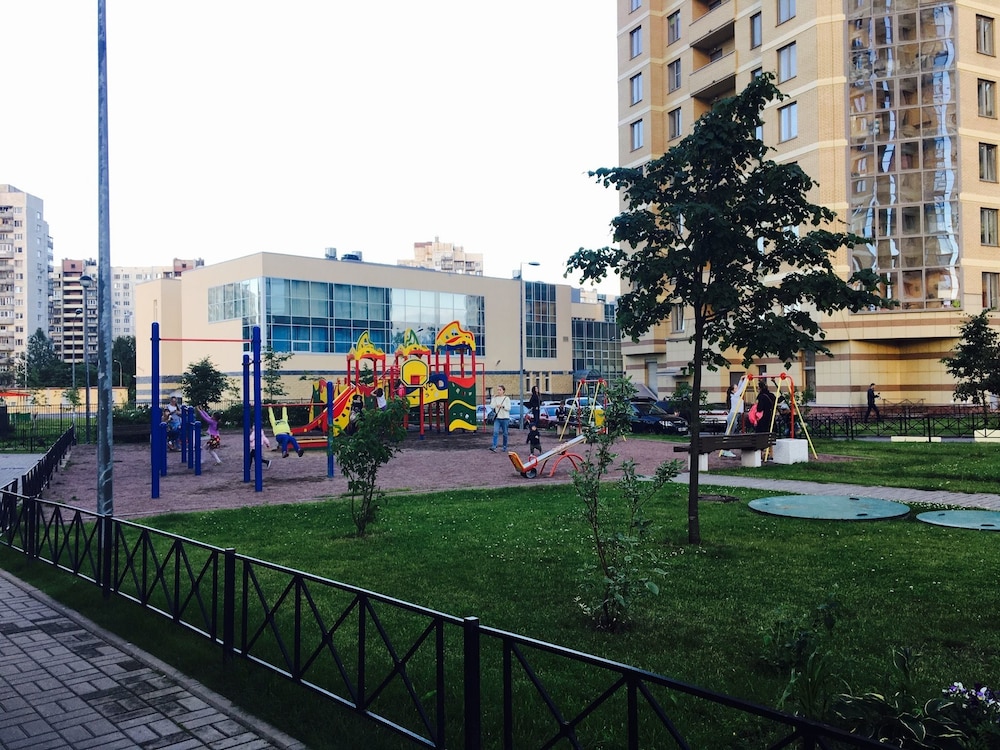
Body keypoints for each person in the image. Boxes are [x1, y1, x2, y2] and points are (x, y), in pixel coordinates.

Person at [489, 385, 511, 453]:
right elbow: (492, 406)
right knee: (495, 432)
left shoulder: (506, 398)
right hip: (497, 418)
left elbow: (509, 408)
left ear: (503, 391)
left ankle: (504, 446)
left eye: (500, 390)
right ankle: (494, 446)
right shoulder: (496, 398)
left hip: (505, 418)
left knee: (505, 433)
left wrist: (502, 406)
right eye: (498, 390)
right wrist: (493, 398)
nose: (498, 391)